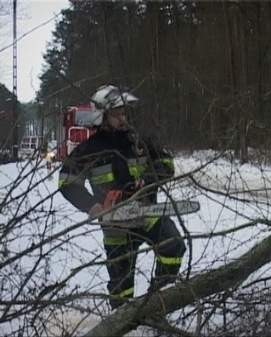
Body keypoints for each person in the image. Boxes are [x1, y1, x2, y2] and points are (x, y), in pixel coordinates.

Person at [58, 84, 186, 309]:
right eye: (116, 114)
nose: (122, 118)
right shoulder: (88, 150)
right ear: (101, 116)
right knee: (121, 289)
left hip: (147, 212)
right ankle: (122, 324)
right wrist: (92, 205)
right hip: (115, 225)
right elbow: (67, 182)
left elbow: (166, 163)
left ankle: (156, 304)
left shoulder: (137, 141)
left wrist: (148, 178)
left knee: (173, 246)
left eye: (123, 113)